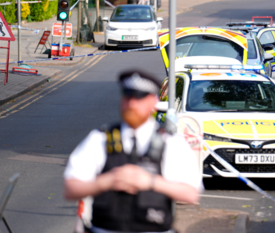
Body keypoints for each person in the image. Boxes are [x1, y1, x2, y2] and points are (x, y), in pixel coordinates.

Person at [63, 70, 200, 233]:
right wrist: (108, 181)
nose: (131, 105)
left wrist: (150, 182)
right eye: (127, 97)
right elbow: (70, 189)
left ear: (153, 102)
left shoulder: (171, 143)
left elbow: (191, 194)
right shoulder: (99, 139)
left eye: (139, 98)